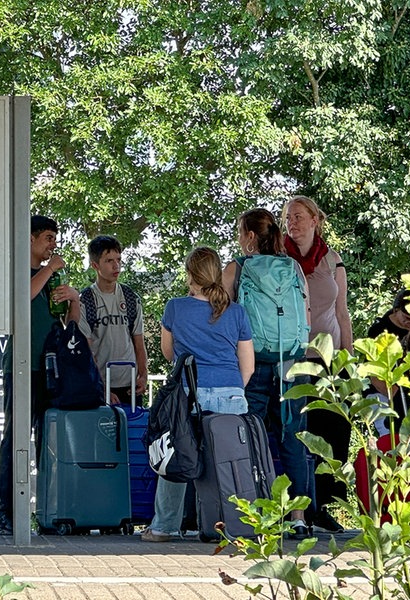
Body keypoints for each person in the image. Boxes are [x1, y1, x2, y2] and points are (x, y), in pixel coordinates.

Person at [142, 246, 254, 542]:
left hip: (190, 394)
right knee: (230, 464)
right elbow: (249, 366)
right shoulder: (237, 311)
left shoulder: (175, 308)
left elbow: (169, 354)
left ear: (190, 275)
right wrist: (232, 389)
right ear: (217, 273)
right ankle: (235, 524)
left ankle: (163, 527)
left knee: (177, 455)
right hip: (231, 394)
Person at [222, 208, 311, 537]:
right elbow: (307, 315)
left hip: (252, 362)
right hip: (291, 362)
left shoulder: (238, 268)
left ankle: (259, 513)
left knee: (251, 440)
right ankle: (298, 517)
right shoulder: (294, 268)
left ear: (248, 236)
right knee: (292, 441)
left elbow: (219, 314)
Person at [0, 215, 81, 536]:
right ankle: (6, 515)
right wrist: (50, 269)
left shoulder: (52, 278)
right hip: (20, 366)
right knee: (14, 441)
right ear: (29, 239)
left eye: (54, 238)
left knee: (50, 442)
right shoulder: (19, 271)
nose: (52, 244)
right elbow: (22, 299)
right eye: (47, 237)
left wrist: (74, 300)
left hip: (51, 370)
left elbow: (69, 326)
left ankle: (48, 513)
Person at [282, 195, 353, 533]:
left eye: (297, 216)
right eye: (287, 218)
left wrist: (348, 359)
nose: (291, 223)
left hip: (329, 358)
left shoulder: (332, 260)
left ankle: (324, 505)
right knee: (295, 432)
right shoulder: (280, 259)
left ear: (314, 220)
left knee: (333, 432)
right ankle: (295, 506)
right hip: (293, 357)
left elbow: (342, 312)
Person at [78, 235, 148, 406]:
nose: (116, 266)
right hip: (100, 384)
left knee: (132, 430)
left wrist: (143, 375)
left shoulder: (130, 297)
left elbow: (139, 342)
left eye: (118, 260)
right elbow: (87, 351)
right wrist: (100, 386)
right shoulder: (85, 300)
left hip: (129, 384)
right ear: (95, 265)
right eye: (109, 260)